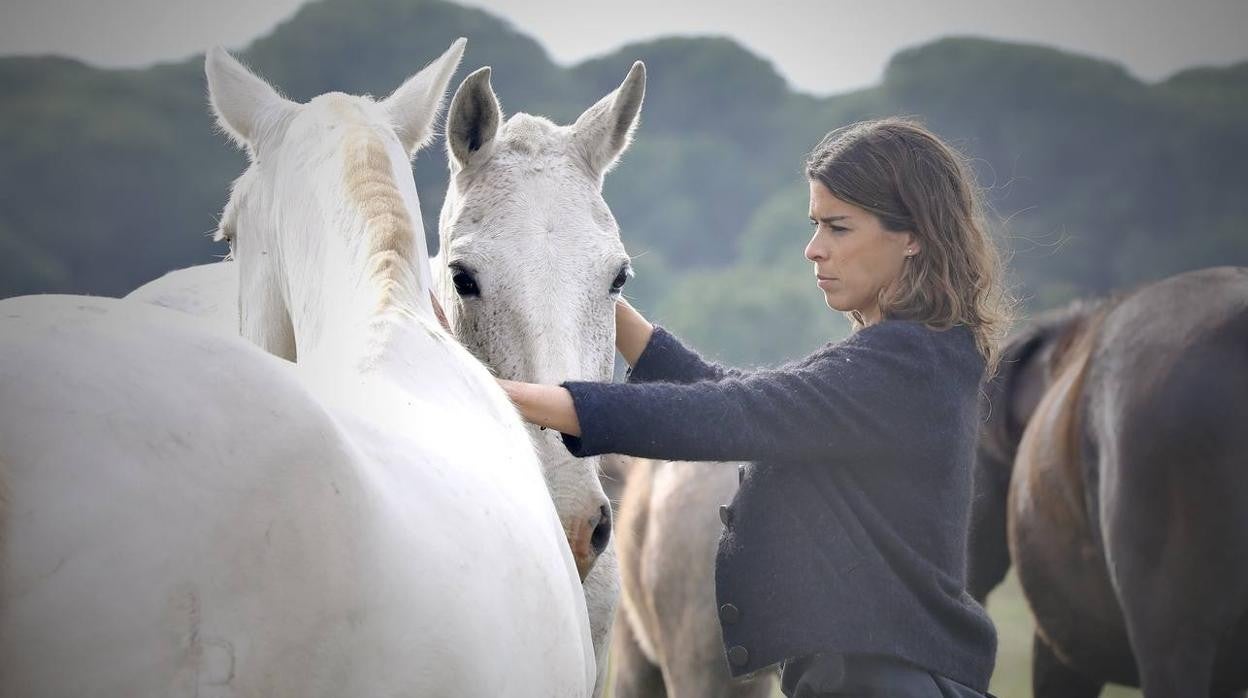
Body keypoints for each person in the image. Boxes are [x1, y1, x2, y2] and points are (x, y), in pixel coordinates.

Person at [499, 118, 1011, 697]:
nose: (813, 249)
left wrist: (500, 394)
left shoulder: (902, 364)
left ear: (913, 234)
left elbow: (728, 412)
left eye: (839, 228)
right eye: (816, 225)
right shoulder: (914, 358)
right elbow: (728, 391)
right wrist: (598, 292)